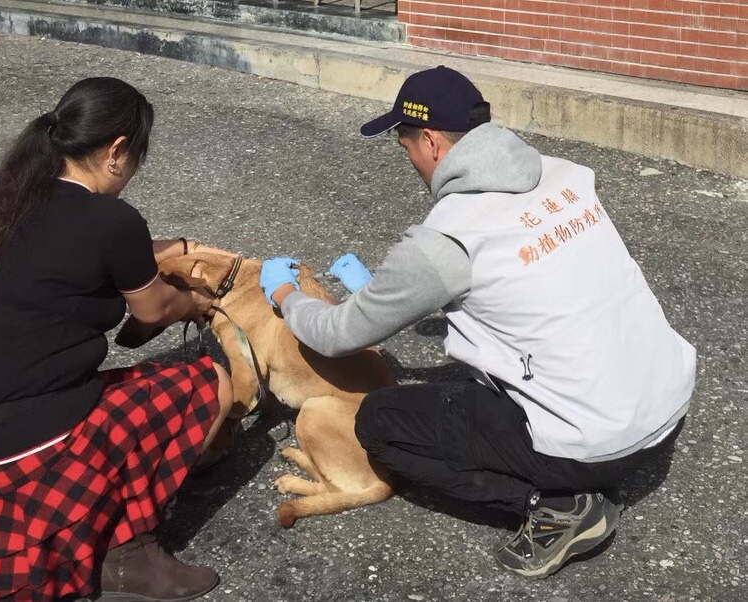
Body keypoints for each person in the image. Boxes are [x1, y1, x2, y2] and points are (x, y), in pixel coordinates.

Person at [258, 66, 696, 579]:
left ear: (430, 141)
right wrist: (384, 291)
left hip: (598, 446)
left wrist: (285, 294)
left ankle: (556, 507)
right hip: (665, 406)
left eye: (405, 147)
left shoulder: (448, 238)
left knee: (379, 421)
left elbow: (336, 335)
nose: (411, 162)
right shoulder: (567, 176)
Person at [0, 77, 236, 602]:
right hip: (36, 441)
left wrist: (179, 246)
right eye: (137, 157)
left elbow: (110, 254)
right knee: (211, 384)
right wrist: (199, 304)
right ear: (117, 151)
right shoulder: (110, 219)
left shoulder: (14, 201)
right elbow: (155, 307)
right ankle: (128, 553)